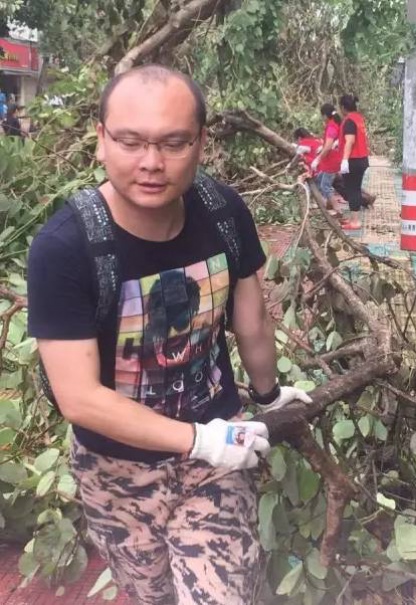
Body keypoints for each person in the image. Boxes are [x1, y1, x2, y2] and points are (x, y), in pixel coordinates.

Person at [27, 64, 312, 605]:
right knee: (150, 594)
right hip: (117, 474)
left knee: (220, 596)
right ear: (101, 141)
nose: (151, 163)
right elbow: (79, 397)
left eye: (173, 143)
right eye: (131, 142)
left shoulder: (223, 212)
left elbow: (251, 317)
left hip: (215, 458)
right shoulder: (64, 248)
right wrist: (198, 439)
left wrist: (269, 396)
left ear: (202, 142)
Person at [338, 94, 370, 230]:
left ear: (343, 107)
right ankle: (353, 219)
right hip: (361, 159)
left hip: (353, 160)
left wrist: (344, 160)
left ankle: (355, 222)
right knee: (354, 189)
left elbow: (350, 141)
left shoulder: (349, 120)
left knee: (352, 190)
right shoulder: (358, 119)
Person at [309, 104, 343, 217]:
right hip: (332, 159)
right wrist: (321, 148)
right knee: (319, 180)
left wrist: (317, 159)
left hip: (331, 161)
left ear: (324, 115)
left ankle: (338, 210)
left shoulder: (332, 127)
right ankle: (328, 204)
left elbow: (328, 147)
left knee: (325, 186)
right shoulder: (335, 124)